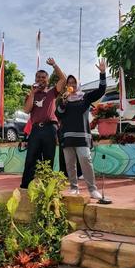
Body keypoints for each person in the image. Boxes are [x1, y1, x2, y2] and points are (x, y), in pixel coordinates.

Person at [55, 59, 106, 199]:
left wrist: (102, 73)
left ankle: (92, 189)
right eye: (69, 83)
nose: (71, 85)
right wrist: (64, 101)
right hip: (67, 136)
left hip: (82, 137)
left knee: (86, 160)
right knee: (70, 164)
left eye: (73, 82)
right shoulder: (63, 99)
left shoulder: (85, 98)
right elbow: (58, 114)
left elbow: (101, 90)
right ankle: (73, 187)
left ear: (78, 84)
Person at [20, 58, 66, 189]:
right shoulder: (32, 94)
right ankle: (25, 186)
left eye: (43, 77)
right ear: (35, 79)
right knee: (30, 158)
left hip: (49, 128)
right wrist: (32, 94)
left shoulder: (52, 92)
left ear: (47, 79)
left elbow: (63, 79)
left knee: (48, 158)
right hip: (35, 130)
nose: (40, 79)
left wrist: (54, 65)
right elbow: (27, 110)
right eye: (38, 77)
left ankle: (47, 187)